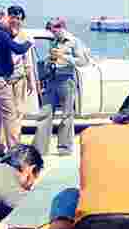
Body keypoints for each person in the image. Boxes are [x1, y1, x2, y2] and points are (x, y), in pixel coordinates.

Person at [32, 18, 90, 156]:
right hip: (52, 79)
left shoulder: (74, 41)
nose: (53, 33)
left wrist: (64, 56)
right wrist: (48, 61)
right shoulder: (54, 41)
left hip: (66, 80)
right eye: (51, 30)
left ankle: (64, 148)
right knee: (45, 113)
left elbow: (83, 61)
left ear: (61, 27)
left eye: (54, 30)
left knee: (66, 115)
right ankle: (40, 148)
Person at [0, 5, 33, 158]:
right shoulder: (0, 34)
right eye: (7, 17)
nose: (10, 19)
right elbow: (18, 49)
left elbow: (7, 43)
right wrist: (29, 43)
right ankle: (14, 152)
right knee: (10, 116)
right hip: (0, 81)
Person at [3, 6, 38, 152]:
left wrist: (31, 80)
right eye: (13, 17)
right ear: (7, 17)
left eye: (18, 18)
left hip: (19, 79)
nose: (15, 20)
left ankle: (15, 144)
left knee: (18, 112)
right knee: (5, 114)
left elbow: (27, 60)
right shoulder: (2, 33)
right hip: (3, 80)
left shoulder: (25, 36)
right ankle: (6, 145)